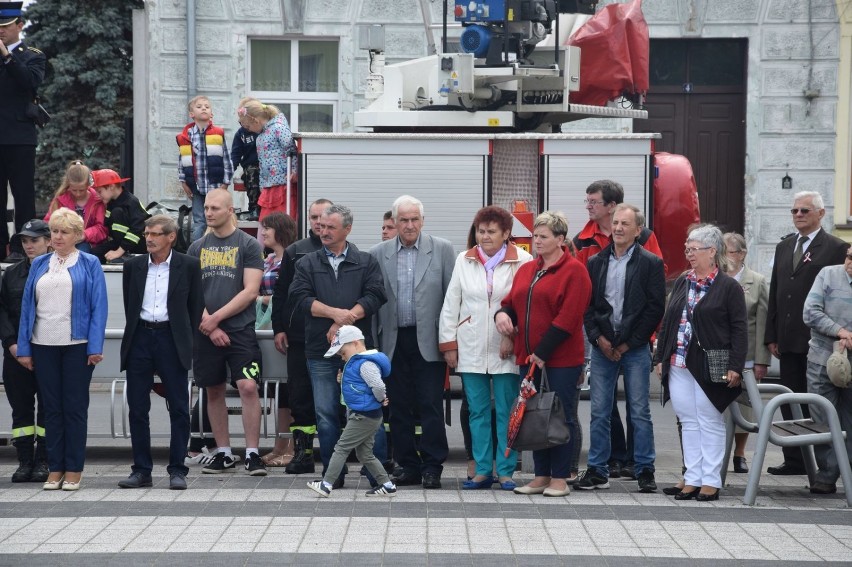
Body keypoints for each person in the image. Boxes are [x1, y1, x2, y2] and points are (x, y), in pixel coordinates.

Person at [572, 179, 665, 480]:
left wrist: (629, 343)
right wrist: (598, 339)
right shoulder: (596, 262)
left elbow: (654, 308)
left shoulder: (650, 263)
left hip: (635, 347)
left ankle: (644, 469)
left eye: (626, 224)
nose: (619, 228)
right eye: (615, 223)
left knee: (639, 410)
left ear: (639, 230)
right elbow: (587, 306)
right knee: (599, 411)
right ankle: (598, 469)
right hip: (602, 347)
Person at [288, 203, 386, 488]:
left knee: (367, 410)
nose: (324, 231)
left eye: (331, 227)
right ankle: (334, 474)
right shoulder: (307, 262)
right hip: (320, 351)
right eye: (321, 226)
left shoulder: (366, 261)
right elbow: (299, 298)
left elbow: (376, 295)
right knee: (326, 414)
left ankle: (375, 474)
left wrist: (346, 321)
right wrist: (334, 315)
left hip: (357, 354)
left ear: (348, 229)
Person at [496, 211, 591, 498]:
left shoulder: (575, 271)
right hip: (530, 359)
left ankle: (560, 477)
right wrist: (503, 314)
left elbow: (569, 317)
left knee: (559, 416)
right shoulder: (527, 269)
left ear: (560, 240)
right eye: (535, 236)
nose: (536, 241)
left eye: (543, 236)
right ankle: (541, 475)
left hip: (560, 360)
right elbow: (511, 301)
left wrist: (542, 351)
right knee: (536, 416)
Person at [439, 206, 532, 490]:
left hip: (506, 347)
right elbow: (450, 304)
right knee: (477, 411)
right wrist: (449, 345)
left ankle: (505, 471)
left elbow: (523, 306)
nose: (485, 236)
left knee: (507, 409)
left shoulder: (524, 260)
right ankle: (481, 470)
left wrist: (513, 337)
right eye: (481, 231)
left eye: (492, 231)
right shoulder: (463, 259)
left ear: (506, 234)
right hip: (470, 345)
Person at [16, 208, 108, 491]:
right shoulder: (40, 263)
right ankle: (54, 468)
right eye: (54, 231)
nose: (57, 236)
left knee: (75, 409)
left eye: (64, 232)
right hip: (43, 344)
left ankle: (74, 469)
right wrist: (24, 348)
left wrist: (95, 346)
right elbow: (27, 308)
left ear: (77, 236)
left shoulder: (90, 263)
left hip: (77, 347)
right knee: (52, 409)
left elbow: (98, 307)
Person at [654, 224, 746, 501]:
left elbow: (740, 328)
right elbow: (669, 320)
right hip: (679, 361)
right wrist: (660, 356)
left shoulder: (728, 286)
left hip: (710, 363)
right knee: (688, 420)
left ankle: (710, 480)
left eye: (694, 249)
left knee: (709, 420)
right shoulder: (684, 280)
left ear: (712, 251)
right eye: (687, 249)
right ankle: (692, 477)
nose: (689, 254)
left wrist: (735, 366)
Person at [370, 195, 456, 490]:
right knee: (398, 408)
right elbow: (373, 300)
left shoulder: (442, 250)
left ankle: (433, 467)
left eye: (414, 219)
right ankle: (407, 465)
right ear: (393, 222)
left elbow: (451, 299)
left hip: (429, 340)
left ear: (423, 220)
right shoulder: (378, 253)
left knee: (430, 406)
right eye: (403, 220)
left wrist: (450, 343)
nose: (409, 225)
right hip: (393, 342)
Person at [764, 191, 849, 476]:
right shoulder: (786, 246)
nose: (798, 215)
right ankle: (796, 459)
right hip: (787, 338)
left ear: (821, 213)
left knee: (822, 405)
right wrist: (771, 334)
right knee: (790, 400)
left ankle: (830, 465)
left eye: (804, 210)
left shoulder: (836, 247)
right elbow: (777, 290)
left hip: (821, 341)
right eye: (795, 211)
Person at [117, 215, 204, 491]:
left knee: (179, 407)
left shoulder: (188, 265)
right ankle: (141, 470)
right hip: (141, 336)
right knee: (138, 408)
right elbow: (129, 303)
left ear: (171, 237)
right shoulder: (133, 266)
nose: (150, 239)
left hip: (171, 337)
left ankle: (177, 469)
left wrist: (185, 340)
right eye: (146, 234)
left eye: (155, 234)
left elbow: (195, 307)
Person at [187, 189, 267, 476]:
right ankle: (223, 453)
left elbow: (251, 291)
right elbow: (189, 293)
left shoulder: (247, 245)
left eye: (215, 208)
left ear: (231, 210)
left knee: (247, 386)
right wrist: (209, 325)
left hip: (240, 330)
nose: (208, 213)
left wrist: (217, 319)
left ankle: (252, 454)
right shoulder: (196, 247)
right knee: (213, 389)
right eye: (206, 208)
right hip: (206, 332)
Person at [271, 198, 331, 474]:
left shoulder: (342, 250)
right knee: (300, 397)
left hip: (332, 339)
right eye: (314, 217)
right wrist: (279, 328)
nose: (319, 222)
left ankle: (335, 454)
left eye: (324, 217)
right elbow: (280, 294)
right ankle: (303, 454)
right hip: (298, 336)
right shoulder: (296, 251)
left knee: (334, 399)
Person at [306, 325, 397, 498]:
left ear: (355, 343)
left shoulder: (365, 364)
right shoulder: (357, 362)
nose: (342, 356)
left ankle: (326, 484)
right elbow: (360, 385)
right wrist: (344, 380)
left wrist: (380, 398)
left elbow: (377, 385)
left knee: (341, 448)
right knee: (365, 454)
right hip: (367, 416)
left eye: (343, 352)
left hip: (363, 416)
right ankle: (386, 484)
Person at [0, 219, 51, 482]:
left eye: (34, 240)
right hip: (16, 353)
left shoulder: (57, 272)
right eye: (25, 241)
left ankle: (43, 461)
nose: (29, 245)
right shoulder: (11, 274)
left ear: (48, 241)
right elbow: (4, 312)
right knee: (20, 411)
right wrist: (12, 343)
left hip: (47, 349)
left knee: (46, 410)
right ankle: (24, 462)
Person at [802, 246, 852, 494]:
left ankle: (848, 472)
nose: (849, 262)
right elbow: (810, 312)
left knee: (850, 419)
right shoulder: (828, 274)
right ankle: (827, 475)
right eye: (849, 256)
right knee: (822, 416)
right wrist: (840, 332)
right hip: (822, 359)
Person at [0, 2, 46, 261]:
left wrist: (7, 56)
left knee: (23, 195)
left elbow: (29, 82)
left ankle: (22, 247)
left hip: (19, 137)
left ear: (19, 25)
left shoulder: (32, 55)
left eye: (5, 27)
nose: (1, 32)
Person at [723, 232, 770, 474]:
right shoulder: (715, 278)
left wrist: (762, 360)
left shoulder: (757, 280)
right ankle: (719, 452)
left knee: (745, 407)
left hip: (748, 355)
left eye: (729, 251)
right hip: (719, 354)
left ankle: (739, 453)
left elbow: (762, 321)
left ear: (741, 254)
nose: (725, 256)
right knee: (718, 406)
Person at [256, 212, 297, 466]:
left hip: (283, 328)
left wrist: (260, 299)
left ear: (280, 230)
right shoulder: (269, 259)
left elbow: (287, 296)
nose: (263, 233)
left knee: (291, 392)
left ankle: (290, 448)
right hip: (266, 328)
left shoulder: (290, 260)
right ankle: (279, 446)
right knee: (278, 393)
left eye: (267, 228)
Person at [177, 95, 233, 240]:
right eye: (199, 106)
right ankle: (196, 253)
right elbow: (182, 160)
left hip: (215, 186)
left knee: (218, 220)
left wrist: (225, 183)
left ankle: (218, 246)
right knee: (199, 221)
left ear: (211, 114)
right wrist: (183, 182)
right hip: (196, 186)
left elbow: (226, 158)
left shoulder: (218, 133)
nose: (204, 108)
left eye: (207, 107)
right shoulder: (185, 136)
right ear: (192, 114)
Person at [236, 99, 297, 220]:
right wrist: (262, 184)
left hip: (283, 183)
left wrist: (295, 171)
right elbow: (262, 163)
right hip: (269, 184)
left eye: (248, 126)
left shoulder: (279, 128)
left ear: (255, 120)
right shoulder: (261, 137)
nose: (248, 130)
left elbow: (292, 151)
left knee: (281, 220)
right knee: (267, 221)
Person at [44, 160, 107, 253]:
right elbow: (48, 223)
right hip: (61, 241)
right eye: (74, 190)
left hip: (88, 242)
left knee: (80, 253)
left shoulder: (97, 200)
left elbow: (102, 228)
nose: (78, 194)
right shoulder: (60, 199)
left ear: (88, 185)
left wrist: (84, 235)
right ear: (68, 185)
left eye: (82, 190)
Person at [89, 169, 149, 263]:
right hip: (121, 243)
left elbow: (137, 230)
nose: (98, 196)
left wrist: (119, 252)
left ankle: (124, 255)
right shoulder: (112, 202)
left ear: (111, 186)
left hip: (137, 244)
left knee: (117, 212)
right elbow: (108, 226)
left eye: (100, 192)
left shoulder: (131, 202)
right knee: (93, 254)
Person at [231, 107, 261, 221]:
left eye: (244, 122)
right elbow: (235, 154)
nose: (243, 125)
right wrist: (229, 173)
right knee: (252, 175)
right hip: (251, 166)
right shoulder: (241, 134)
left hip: (267, 164)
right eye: (240, 123)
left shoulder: (262, 129)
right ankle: (254, 208)